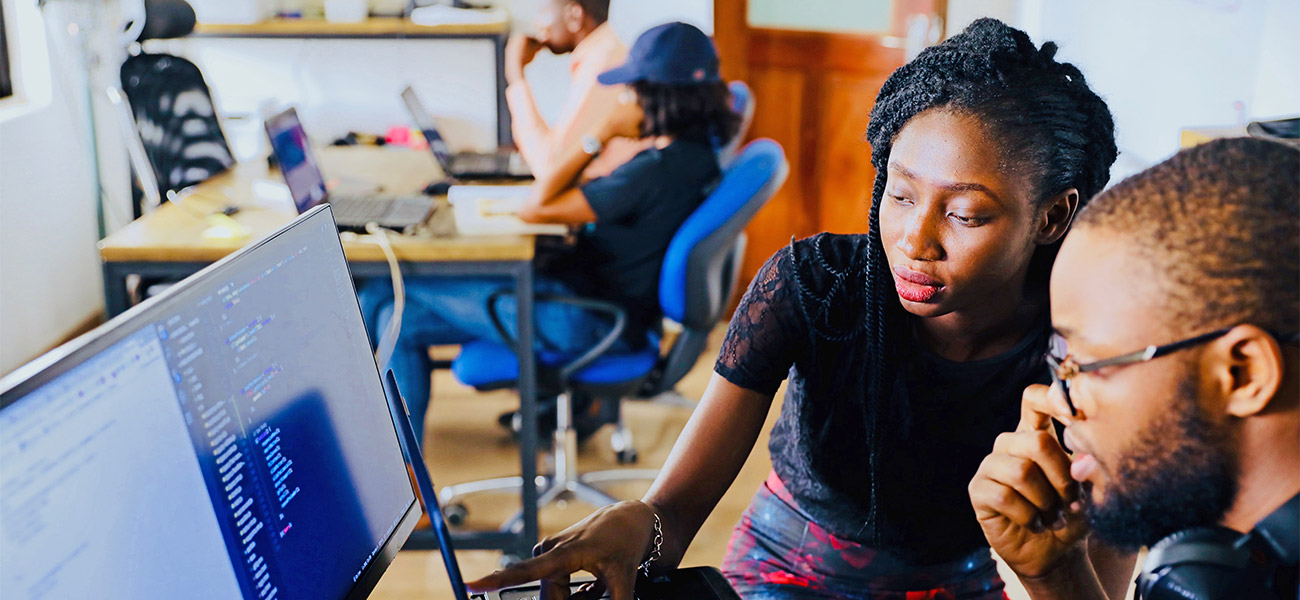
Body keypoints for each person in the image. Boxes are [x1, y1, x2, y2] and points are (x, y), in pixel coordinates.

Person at [468, 18, 1131, 600]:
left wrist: (1051, 568)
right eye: (898, 196)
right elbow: (673, 513)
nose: (914, 242)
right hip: (780, 574)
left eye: (964, 213)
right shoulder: (815, 287)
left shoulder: (1092, 359)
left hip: (959, 584)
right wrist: (641, 525)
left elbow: (1097, 587)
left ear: (1052, 215)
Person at [359, 22, 739, 444]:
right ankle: (408, 476)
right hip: (598, 305)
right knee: (396, 316)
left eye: (631, 89)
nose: (623, 98)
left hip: (586, 319)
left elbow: (536, 205)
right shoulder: (696, 157)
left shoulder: (654, 172)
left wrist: (600, 134)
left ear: (658, 96)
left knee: (383, 294)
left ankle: (397, 471)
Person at [969, 137, 1300, 599]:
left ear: (1243, 374)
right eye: (1059, 362)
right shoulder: (1232, 567)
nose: (1053, 401)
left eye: (1087, 364)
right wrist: (1057, 575)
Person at [507, 0, 648, 179]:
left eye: (543, 12)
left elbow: (551, 168)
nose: (537, 24)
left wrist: (515, 75)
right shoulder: (603, 54)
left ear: (575, 16)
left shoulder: (601, 66)